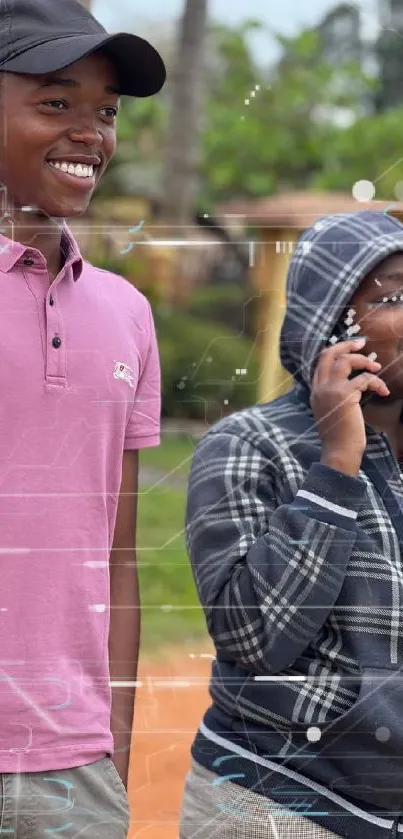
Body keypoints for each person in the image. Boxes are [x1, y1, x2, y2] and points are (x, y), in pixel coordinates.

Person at [179, 209, 403, 839]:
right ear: (331, 322)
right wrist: (336, 467)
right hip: (274, 803)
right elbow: (254, 638)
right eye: (396, 296)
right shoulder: (248, 446)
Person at [0, 0, 165, 835]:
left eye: (104, 112)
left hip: (75, 770)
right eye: (56, 103)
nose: (90, 135)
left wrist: (117, 748)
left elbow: (117, 555)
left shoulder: (128, 313)